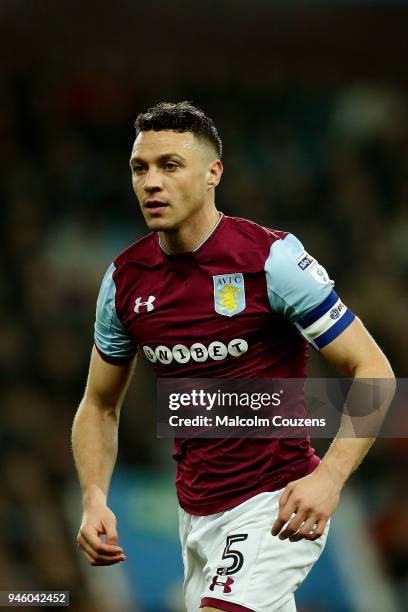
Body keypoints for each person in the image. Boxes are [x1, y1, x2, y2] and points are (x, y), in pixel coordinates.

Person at [72, 101, 395, 612]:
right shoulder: (124, 282)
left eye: (170, 165)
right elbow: (98, 405)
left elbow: (374, 371)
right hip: (196, 516)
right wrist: (94, 497)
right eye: (140, 168)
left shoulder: (271, 260)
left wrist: (329, 477)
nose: (151, 182)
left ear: (212, 173)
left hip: (276, 504)